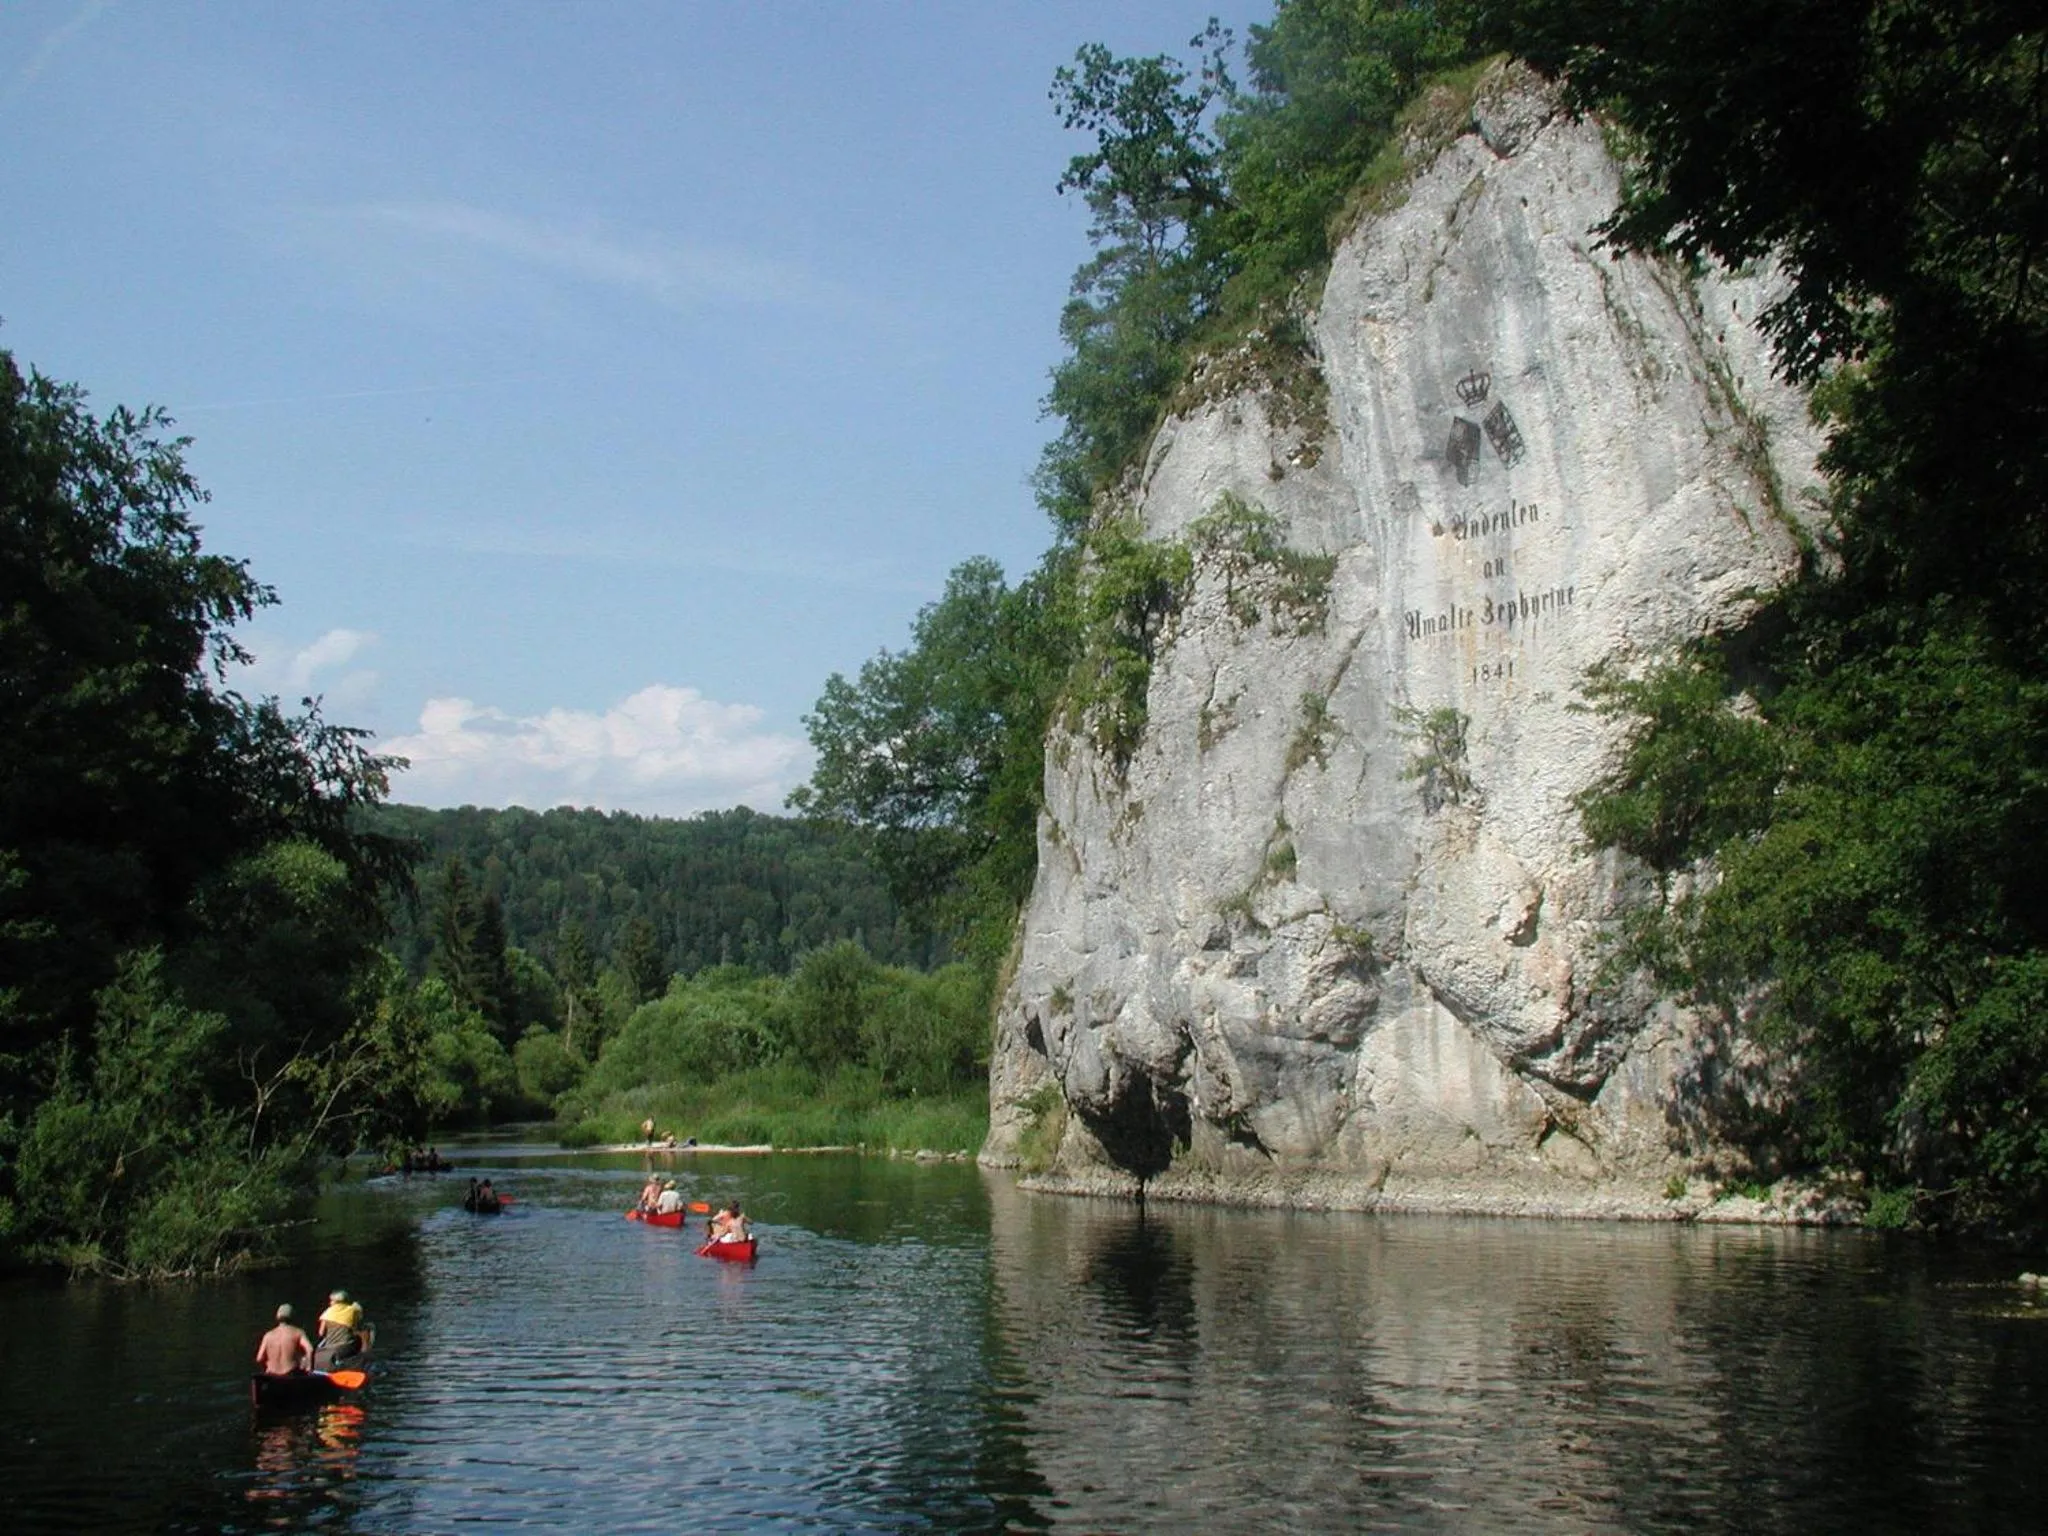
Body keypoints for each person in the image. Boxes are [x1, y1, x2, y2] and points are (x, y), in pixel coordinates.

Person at [255, 1304, 313, 1377]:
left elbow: (259, 1358)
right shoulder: (298, 1332)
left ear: (277, 1317)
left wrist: (267, 1368)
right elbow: (310, 1349)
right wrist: (309, 1367)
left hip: (272, 1375)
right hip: (291, 1374)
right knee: (303, 1359)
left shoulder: (268, 1335)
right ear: (292, 1317)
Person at [315, 1289, 368, 1370]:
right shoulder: (353, 1310)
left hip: (329, 1345)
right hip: (346, 1346)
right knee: (365, 1332)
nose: (330, 1303)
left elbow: (321, 1333)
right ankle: (364, 1355)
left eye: (331, 1301)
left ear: (336, 1302)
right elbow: (356, 1328)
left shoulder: (327, 1312)